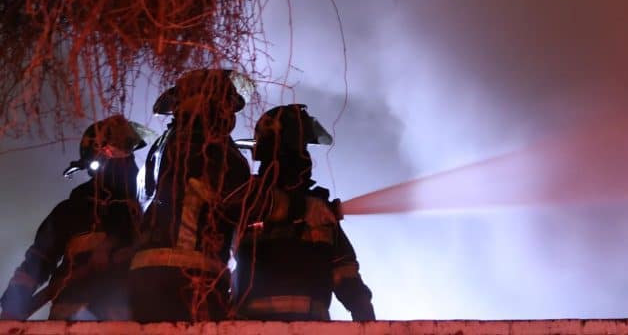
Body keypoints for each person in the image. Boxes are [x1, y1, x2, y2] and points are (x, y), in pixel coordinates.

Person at [128, 68, 252, 322]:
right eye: (226, 103)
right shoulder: (220, 151)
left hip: (143, 272)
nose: (229, 113)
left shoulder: (162, 145)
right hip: (193, 275)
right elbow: (240, 209)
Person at [232, 104, 375, 321]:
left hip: (310, 327)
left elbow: (344, 271)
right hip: (252, 327)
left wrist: (362, 307)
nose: (305, 157)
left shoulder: (319, 212)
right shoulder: (247, 199)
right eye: (299, 148)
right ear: (280, 149)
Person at [0, 115, 148, 320]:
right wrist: (12, 308)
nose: (129, 160)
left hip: (127, 318)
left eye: (130, 152)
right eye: (121, 151)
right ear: (99, 158)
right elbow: (38, 260)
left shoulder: (142, 211)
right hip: (74, 314)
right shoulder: (74, 210)